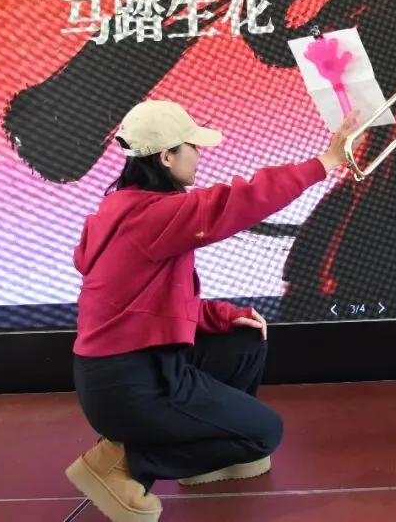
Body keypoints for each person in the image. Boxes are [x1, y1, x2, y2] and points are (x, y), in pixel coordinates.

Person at [65, 99, 360, 522]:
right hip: (132, 383)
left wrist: (218, 315)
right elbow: (242, 200)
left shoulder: (125, 209)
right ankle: (126, 463)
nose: (199, 155)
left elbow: (141, 303)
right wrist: (326, 161)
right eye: (192, 146)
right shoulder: (154, 214)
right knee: (265, 435)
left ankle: (203, 453)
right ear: (166, 157)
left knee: (241, 341)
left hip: (125, 372)